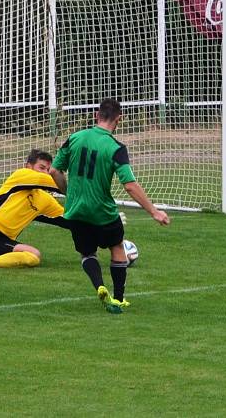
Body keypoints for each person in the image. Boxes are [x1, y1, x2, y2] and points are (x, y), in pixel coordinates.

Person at [50, 98, 170, 314]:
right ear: (119, 119)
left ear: (97, 115)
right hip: (103, 212)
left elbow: (54, 171)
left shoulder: (75, 138)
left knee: (87, 254)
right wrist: (154, 211)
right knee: (117, 247)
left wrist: (68, 193)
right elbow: (130, 186)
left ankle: (99, 286)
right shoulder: (116, 148)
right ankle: (120, 298)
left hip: (76, 211)